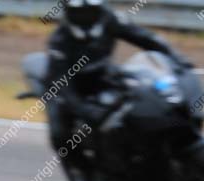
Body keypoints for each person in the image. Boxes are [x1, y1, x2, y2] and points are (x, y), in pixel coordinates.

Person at [46, 0, 192, 150]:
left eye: (90, 12)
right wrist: (85, 110)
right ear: (68, 14)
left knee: (138, 99)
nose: (85, 17)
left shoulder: (110, 19)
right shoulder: (59, 41)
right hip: (72, 87)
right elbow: (60, 84)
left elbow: (146, 38)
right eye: (79, 13)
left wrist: (176, 57)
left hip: (102, 77)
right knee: (61, 133)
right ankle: (78, 169)